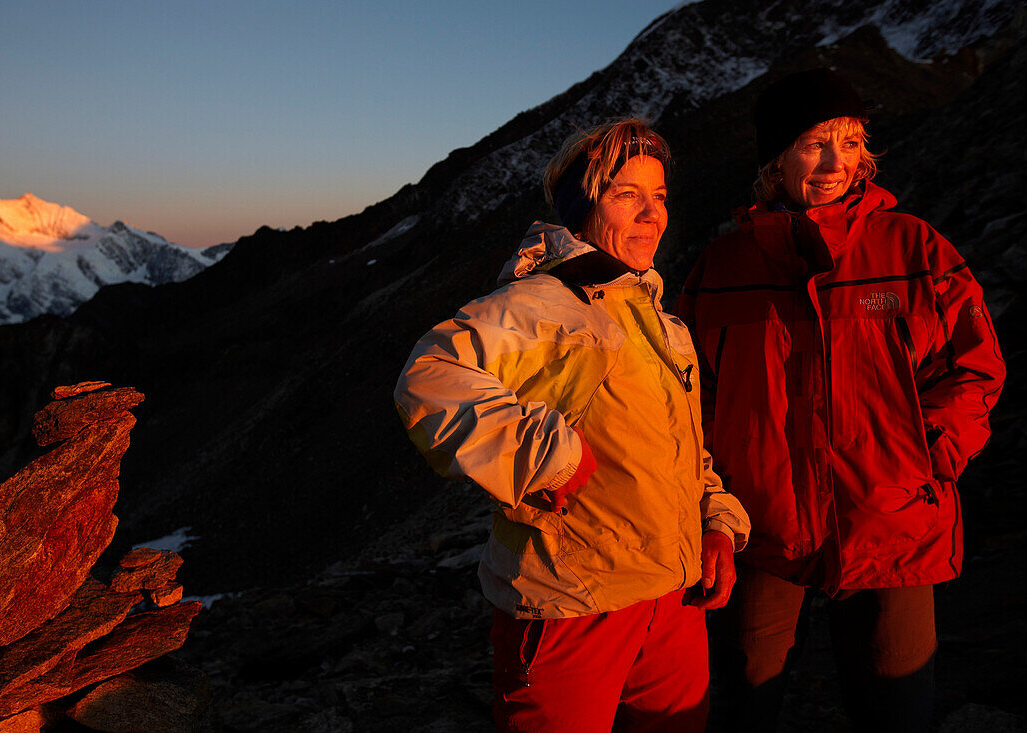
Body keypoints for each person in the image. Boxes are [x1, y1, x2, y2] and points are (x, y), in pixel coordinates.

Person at [394, 118, 750, 732]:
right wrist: (544, 453)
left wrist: (715, 518)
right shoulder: (545, 305)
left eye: (658, 196)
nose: (651, 215)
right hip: (573, 606)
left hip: (672, 603)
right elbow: (428, 374)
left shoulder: (662, 324)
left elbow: (680, 450)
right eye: (625, 195)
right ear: (583, 207)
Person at [677, 68, 1006, 732]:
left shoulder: (914, 249)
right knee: (742, 706)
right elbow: (689, 395)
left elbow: (973, 369)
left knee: (897, 712)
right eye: (814, 143)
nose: (836, 163)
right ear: (774, 160)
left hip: (891, 523)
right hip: (761, 529)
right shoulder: (721, 268)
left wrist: (923, 461)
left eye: (851, 141)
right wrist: (717, 494)